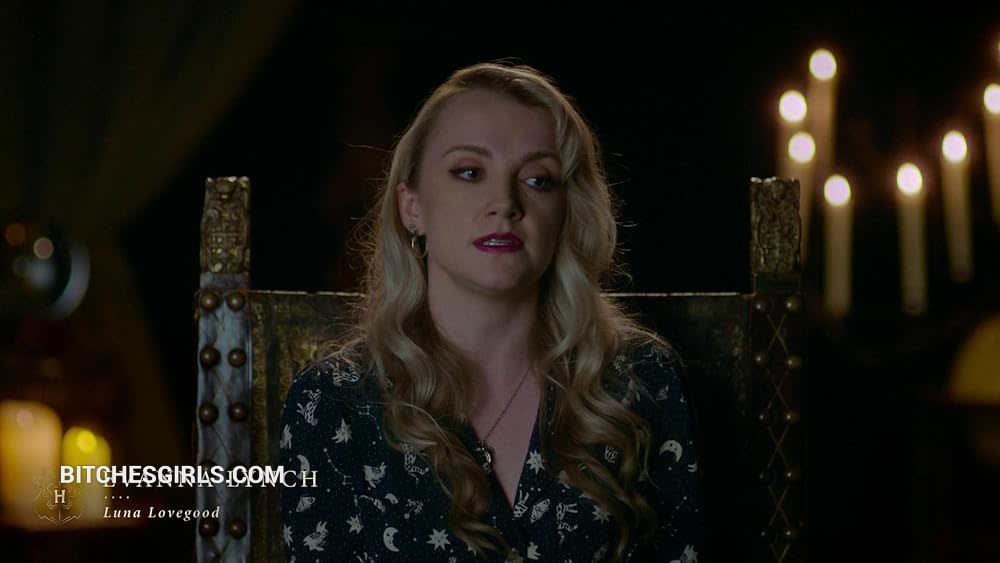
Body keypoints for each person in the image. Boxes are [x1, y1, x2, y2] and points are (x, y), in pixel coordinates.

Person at [279, 61, 704, 562]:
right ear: (411, 208)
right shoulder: (332, 402)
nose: (504, 202)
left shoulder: (640, 380)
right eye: (469, 172)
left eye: (538, 180)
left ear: (567, 210)